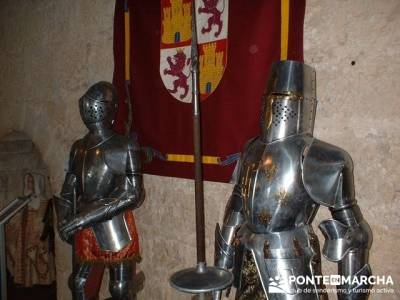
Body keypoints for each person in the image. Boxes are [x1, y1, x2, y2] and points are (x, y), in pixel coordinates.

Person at [214, 61, 372, 300]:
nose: (276, 105)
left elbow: (353, 235)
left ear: (304, 106)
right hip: (247, 259)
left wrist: (350, 296)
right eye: (272, 98)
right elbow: (237, 207)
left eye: (284, 99)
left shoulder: (322, 157)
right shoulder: (251, 149)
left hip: (291, 262)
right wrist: (221, 267)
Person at [55, 81, 145, 300]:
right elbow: (70, 188)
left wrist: (85, 217)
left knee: (120, 289)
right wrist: (64, 218)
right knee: (78, 283)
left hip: (113, 223)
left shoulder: (124, 145)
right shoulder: (79, 146)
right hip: (81, 223)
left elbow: (133, 194)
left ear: (111, 108)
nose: (89, 107)